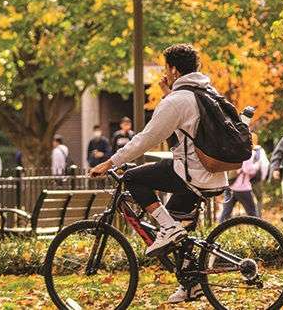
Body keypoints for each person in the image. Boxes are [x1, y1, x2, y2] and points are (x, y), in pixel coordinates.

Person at [88, 44, 227, 304]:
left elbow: (148, 138)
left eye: (166, 67)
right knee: (178, 229)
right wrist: (168, 94)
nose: (165, 72)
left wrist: (111, 162)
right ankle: (192, 285)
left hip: (190, 173)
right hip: (212, 174)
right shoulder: (205, 92)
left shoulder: (178, 100)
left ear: (173, 69)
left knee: (133, 178)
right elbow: (183, 125)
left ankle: (169, 229)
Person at [219, 115, 269, 223]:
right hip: (242, 187)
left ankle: (219, 229)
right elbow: (248, 170)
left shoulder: (234, 149)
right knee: (252, 212)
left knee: (226, 212)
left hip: (230, 185)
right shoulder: (247, 153)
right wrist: (256, 168)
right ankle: (257, 229)